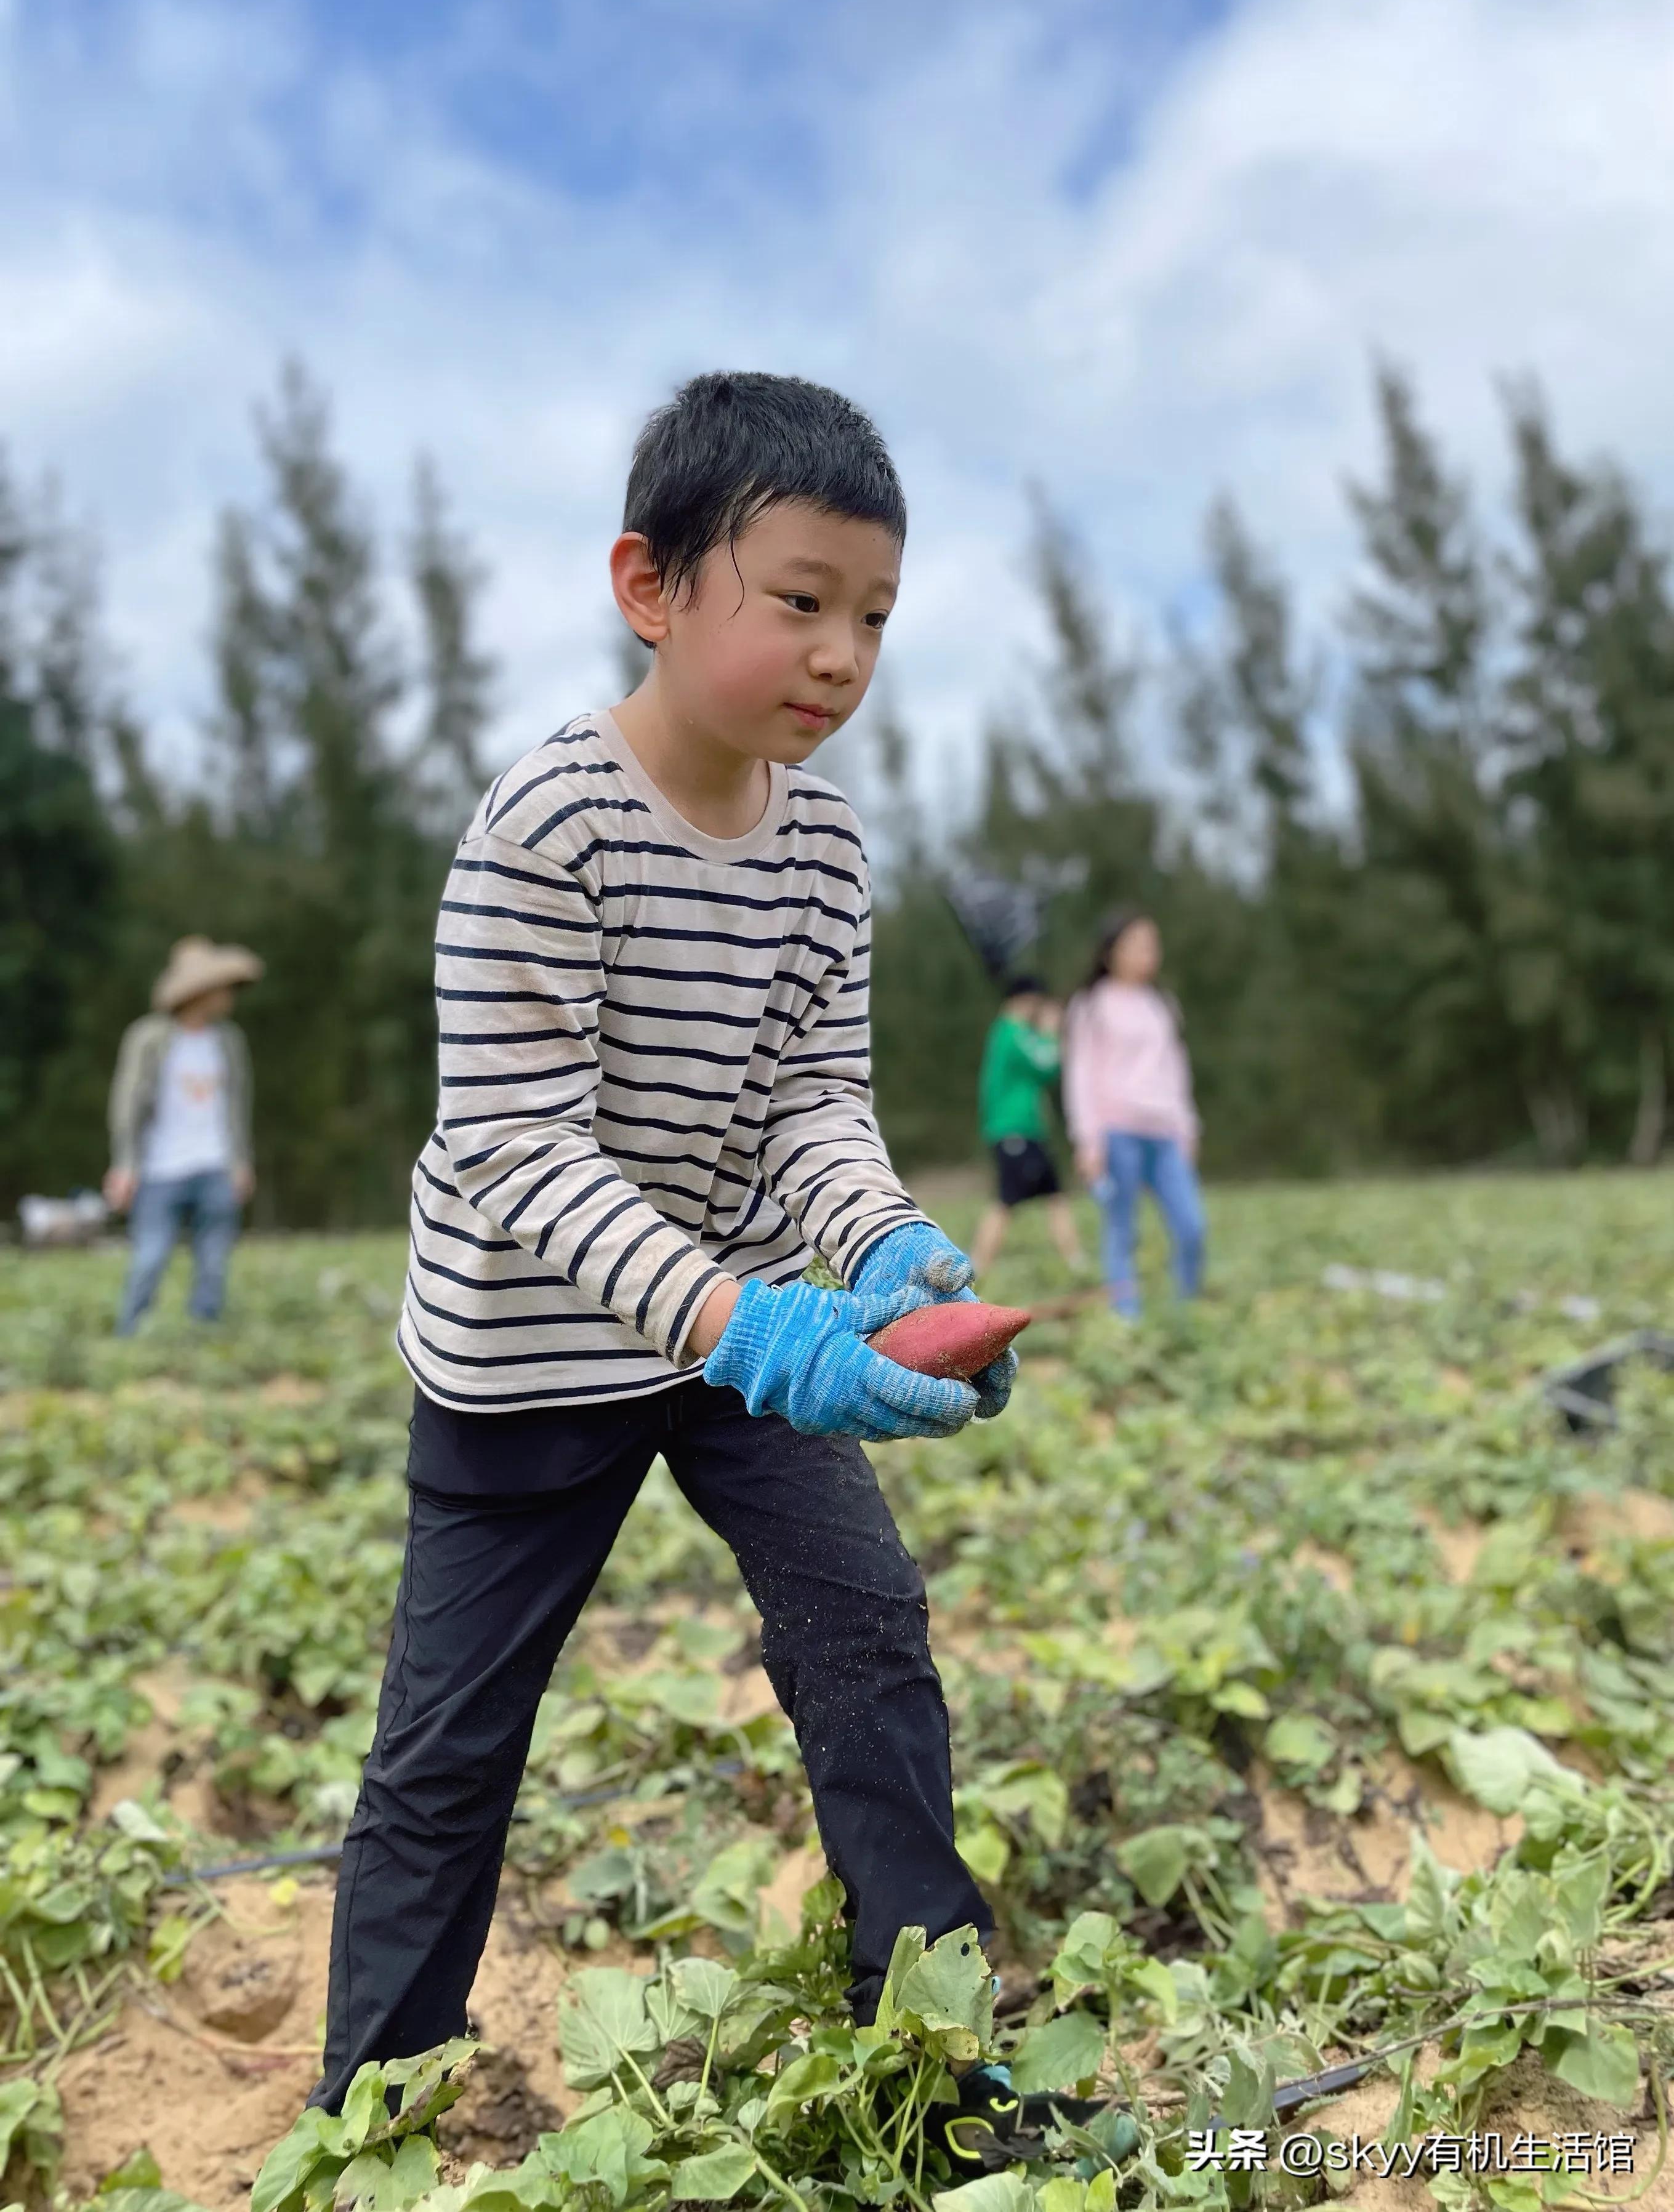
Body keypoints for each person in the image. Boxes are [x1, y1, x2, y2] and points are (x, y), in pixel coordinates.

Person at [312, 371, 1017, 2113]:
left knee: (867, 1639)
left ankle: (932, 2056)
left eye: (871, 615)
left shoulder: (826, 846)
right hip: (532, 1350)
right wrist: (743, 1323)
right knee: (450, 1742)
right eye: (796, 600)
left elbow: (809, 1104)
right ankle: (371, 2107)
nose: (839, 653)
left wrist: (880, 1244)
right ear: (651, 584)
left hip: (732, 1334)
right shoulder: (545, 827)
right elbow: (512, 1149)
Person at [103, 936, 262, 1336]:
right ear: (200, 991)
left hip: (215, 1165)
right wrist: (124, 1164)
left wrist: (241, 1162)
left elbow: (238, 1106)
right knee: (150, 1257)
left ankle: (202, 1337)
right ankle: (129, 1333)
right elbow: (128, 1105)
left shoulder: (228, 1040)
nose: (229, 995)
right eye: (222, 987)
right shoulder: (148, 1038)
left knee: (213, 1261)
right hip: (160, 1168)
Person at [1063, 909, 1204, 1319]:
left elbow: (1176, 1070)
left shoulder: (1162, 1004)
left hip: (1165, 1133)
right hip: (1116, 1131)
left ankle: (1186, 1312)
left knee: (1192, 1226)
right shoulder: (1091, 1004)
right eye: (1137, 945)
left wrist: (1188, 1127)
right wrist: (1087, 1139)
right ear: (1111, 952)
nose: (1147, 953)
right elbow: (1080, 1075)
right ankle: (1128, 1320)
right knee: (1122, 1230)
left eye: (1152, 945)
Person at [970, 974, 1084, 1280]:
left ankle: (1076, 1261)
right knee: (1006, 1201)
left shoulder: (1014, 1034)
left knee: (1056, 1195)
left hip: (1029, 1131)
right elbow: (1048, 1064)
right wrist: (1050, 1031)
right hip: (1014, 1130)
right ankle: (975, 1268)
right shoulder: (1012, 1031)